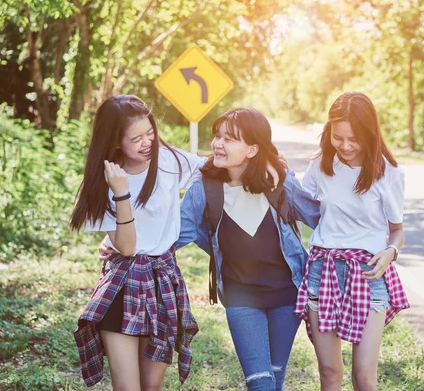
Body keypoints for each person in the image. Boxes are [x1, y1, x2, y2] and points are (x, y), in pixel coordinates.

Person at [177, 107, 320, 390]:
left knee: (275, 378)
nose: (218, 143)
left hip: (286, 296)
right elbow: (176, 234)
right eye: (217, 136)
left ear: (253, 149)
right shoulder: (205, 189)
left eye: (229, 139)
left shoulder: (279, 182)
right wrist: (121, 244)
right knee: (259, 382)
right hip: (241, 296)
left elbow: (320, 218)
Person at [70, 95, 203, 390]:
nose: (147, 143)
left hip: (161, 281)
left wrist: (267, 163)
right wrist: (121, 192)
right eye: (136, 138)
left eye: (150, 133)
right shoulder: (105, 181)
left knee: (151, 386)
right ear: (115, 142)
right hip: (121, 285)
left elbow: (214, 169)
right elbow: (127, 248)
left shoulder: (168, 161)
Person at [294, 92, 410, 391]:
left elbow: (397, 230)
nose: (345, 146)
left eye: (354, 139)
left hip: (368, 273)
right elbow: (299, 207)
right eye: (338, 137)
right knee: (330, 372)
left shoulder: (389, 171)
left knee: (363, 375)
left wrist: (391, 252)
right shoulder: (320, 166)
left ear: (369, 134)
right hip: (324, 272)